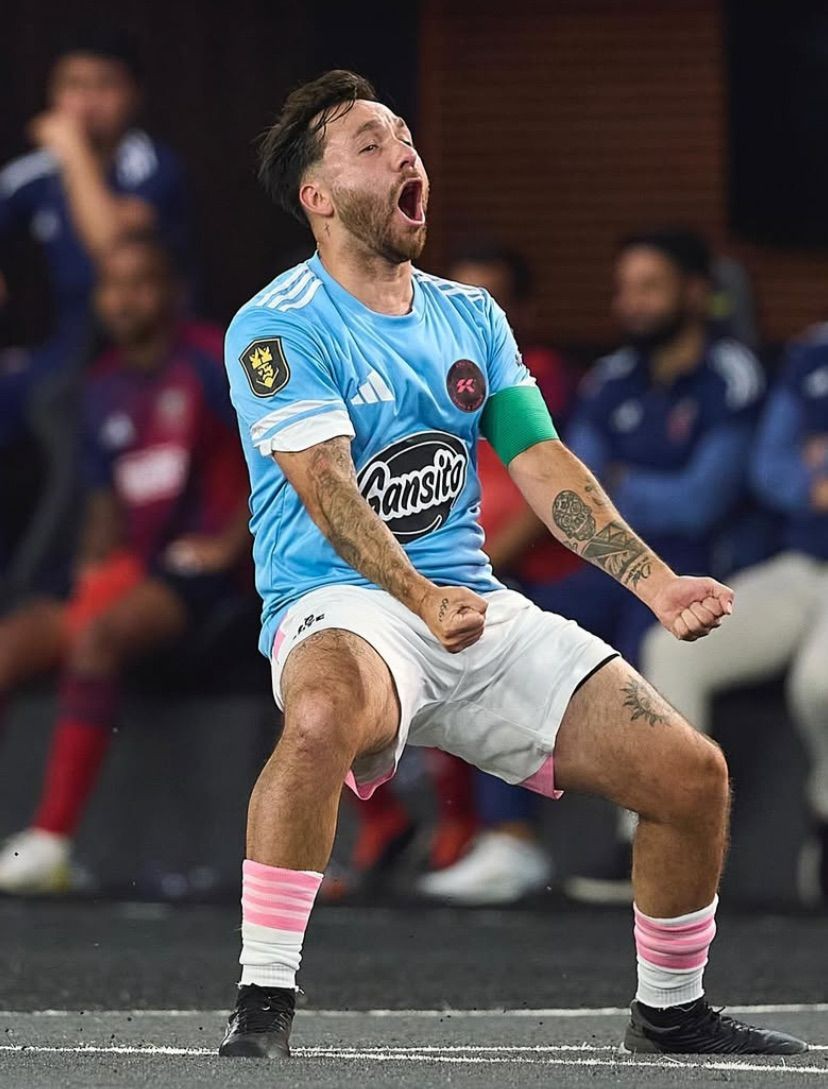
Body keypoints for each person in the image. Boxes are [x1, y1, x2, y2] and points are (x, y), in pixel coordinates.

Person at [218, 70, 806, 1059]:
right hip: (343, 603)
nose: (405, 153)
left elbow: (541, 462)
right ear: (317, 195)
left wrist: (655, 582)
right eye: (371, 143)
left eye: (406, 136)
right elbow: (326, 487)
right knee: (318, 717)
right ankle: (262, 1004)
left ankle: (670, 1011)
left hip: (472, 606)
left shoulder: (470, 317)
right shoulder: (278, 326)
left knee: (692, 776)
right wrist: (417, 596)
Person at [0, 233, 249, 892]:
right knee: (9, 648)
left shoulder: (215, 361)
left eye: (140, 283)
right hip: (138, 570)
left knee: (99, 641)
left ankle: (52, 842)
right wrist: (92, 566)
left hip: (215, 575)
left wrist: (229, 547)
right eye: (112, 286)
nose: (124, 300)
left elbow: (279, 462)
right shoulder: (102, 385)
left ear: (173, 290)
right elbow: (103, 503)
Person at [528, 230, 764, 904]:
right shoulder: (610, 378)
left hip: (699, 569)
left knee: (651, 644)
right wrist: (619, 491)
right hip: (607, 563)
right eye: (624, 288)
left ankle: (645, 844)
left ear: (696, 292)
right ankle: (505, 838)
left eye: (650, 287)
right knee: (512, 621)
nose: (631, 303)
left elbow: (701, 500)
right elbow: (572, 486)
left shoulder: (731, 374)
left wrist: (620, 486)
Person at [417, 242, 579, 904]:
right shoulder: (425, 378)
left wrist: (471, 569)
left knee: (487, 634)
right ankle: (441, 822)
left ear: (522, 313)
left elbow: (547, 494)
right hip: (456, 573)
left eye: (489, 304)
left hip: (548, 573)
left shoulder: (538, 376)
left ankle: (510, 835)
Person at [643, 326, 828, 904]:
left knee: (820, 681)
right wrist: (813, 482)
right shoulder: (814, 352)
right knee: (674, 647)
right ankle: (668, 841)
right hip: (803, 562)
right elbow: (770, 467)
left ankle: (825, 819)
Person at [0, 29, 190, 453]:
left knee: (60, 402)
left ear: (134, 94)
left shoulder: (152, 164)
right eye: (73, 86)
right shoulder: (31, 175)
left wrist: (72, 150)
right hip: (63, 344)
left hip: (143, 344)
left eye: (104, 85)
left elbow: (110, 245)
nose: (86, 102)